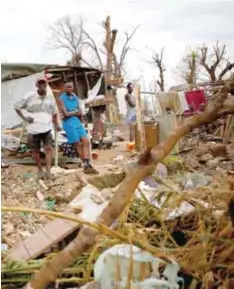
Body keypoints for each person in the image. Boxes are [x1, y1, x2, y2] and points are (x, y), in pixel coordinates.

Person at [15, 77, 60, 180]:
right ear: (37, 85)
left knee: (48, 149)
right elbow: (17, 106)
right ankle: (40, 170)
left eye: (43, 83)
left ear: (46, 85)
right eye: (39, 84)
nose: (42, 85)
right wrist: (25, 117)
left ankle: (48, 171)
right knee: (36, 151)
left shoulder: (50, 98)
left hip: (47, 128)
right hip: (33, 129)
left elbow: (54, 112)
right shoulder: (30, 97)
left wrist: (56, 124)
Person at [59, 82, 98, 174]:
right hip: (68, 123)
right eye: (67, 87)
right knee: (77, 143)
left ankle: (87, 162)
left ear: (73, 88)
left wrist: (77, 113)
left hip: (77, 122)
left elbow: (80, 112)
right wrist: (75, 112)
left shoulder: (75, 97)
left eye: (71, 87)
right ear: (64, 88)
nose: (69, 88)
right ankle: (85, 163)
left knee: (86, 141)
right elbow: (66, 114)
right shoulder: (61, 99)